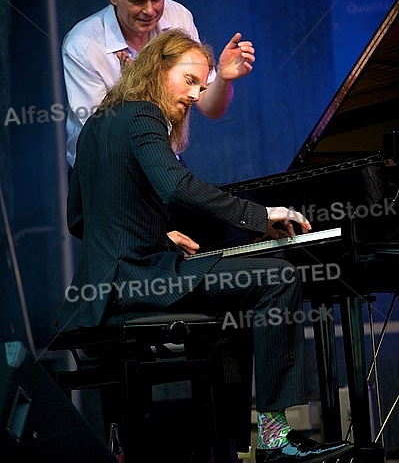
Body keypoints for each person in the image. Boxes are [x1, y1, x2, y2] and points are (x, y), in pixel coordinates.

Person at [57, 29, 353, 463]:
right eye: (190, 80)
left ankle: (226, 445)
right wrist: (258, 215)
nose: (197, 94)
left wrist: (158, 236)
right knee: (279, 276)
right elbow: (175, 185)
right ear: (158, 69)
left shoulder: (96, 124)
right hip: (140, 280)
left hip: (105, 286)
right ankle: (272, 438)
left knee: (237, 300)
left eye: (203, 84)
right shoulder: (143, 115)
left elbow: (78, 218)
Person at [62, 0, 255, 169]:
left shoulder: (178, 17)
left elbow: (211, 108)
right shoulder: (83, 44)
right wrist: (134, 88)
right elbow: (100, 134)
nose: (150, 10)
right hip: (106, 168)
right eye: (138, 2)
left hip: (161, 159)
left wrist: (223, 77)